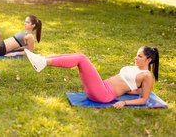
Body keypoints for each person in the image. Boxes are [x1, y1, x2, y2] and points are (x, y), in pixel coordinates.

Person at [24, 46, 159, 109]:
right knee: (78, 55)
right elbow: (131, 88)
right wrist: (132, 91)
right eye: (136, 54)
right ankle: (42, 59)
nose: (136, 58)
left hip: (103, 94)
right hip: (101, 87)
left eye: (139, 56)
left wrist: (124, 102)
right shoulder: (135, 68)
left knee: (81, 58)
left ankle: (42, 62)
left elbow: (144, 99)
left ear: (149, 60)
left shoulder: (147, 76)